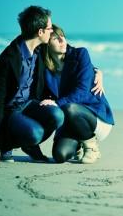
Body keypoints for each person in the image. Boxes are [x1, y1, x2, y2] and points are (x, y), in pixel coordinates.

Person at [0, 6, 64, 164]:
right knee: (35, 134)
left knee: (57, 115)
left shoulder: (38, 51)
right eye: (49, 28)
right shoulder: (9, 59)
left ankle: (29, 145)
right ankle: (5, 145)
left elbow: (67, 51)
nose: (51, 31)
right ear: (40, 32)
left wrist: (96, 71)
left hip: (28, 105)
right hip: (8, 112)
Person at [41, 24, 115, 164]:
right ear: (47, 43)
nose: (63, 41)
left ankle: (92, 147)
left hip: (94, 118)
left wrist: (56, 104)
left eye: (63, 36)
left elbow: (81, 91)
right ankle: (79, 144)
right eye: (56, 39)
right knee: (60, 156)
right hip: (70, 121)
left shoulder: (80, 54)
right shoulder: (45, 68)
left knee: (70, 108)